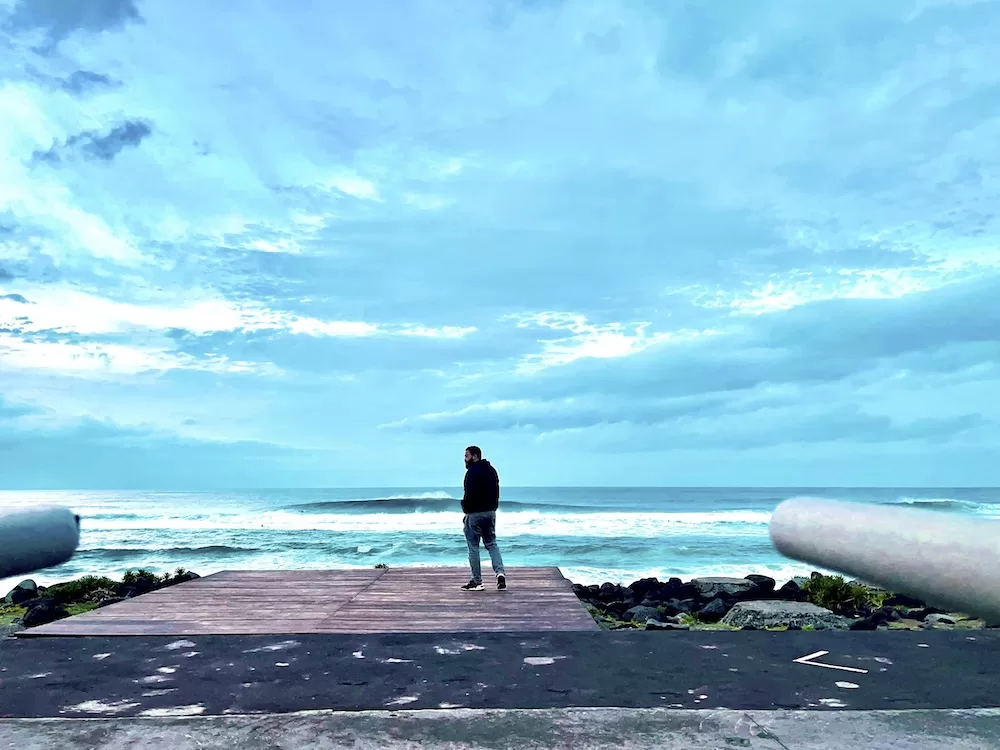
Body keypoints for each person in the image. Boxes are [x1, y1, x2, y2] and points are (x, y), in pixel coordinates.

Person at [460, 445, 507, 591]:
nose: (465, 459)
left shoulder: (471, 472)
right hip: (490, 512)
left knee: (473, 547)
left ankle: (477, 581)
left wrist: (465, 509)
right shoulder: (492, 471)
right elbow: (496, 492)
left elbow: (468, 494)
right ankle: (500, 573)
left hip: (474, 514)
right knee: (492, 543)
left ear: (475, 456)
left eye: (466, 456)